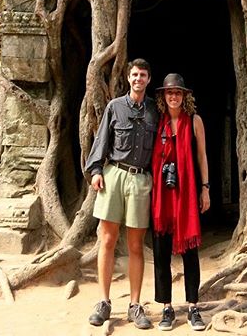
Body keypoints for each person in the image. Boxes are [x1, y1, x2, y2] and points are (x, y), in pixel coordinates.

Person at [85, 58, 159, 329]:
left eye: (143, 75)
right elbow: (102, 139)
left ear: (149, 80)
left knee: (136, 244)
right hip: (113, 175)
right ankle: (103, 302)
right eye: (135, 74)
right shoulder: (115, 107)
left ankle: (135, 305)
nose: (139, 79)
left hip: (141, 179)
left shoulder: (154, 110)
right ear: (129, 78)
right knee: (107, 239)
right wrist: (95, 171)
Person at [151, 73, 210, 332]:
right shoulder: (157, 122)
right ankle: (166, 307)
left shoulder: (194, 121)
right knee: (161, 252)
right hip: (162, 196)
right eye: (169, 92)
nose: (173, 96)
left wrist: (205, 189)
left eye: (178, 92)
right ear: (164, 96)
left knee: (190, 252)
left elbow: (202, 157)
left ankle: (193, 306)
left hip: (186, 194)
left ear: (184, 95)